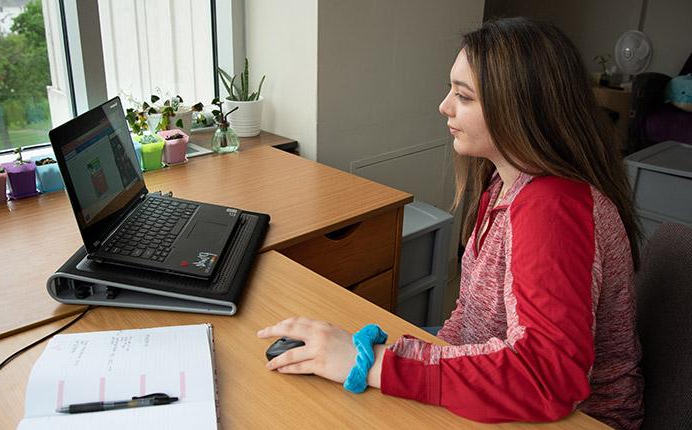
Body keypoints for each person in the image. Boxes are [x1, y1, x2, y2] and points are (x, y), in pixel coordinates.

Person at [257, 17, 644, 429]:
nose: (444, 106)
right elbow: (470, 312)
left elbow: (548, 378)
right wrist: (424, 364)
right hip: (499, 382)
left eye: (463, 96)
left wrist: (377, 366)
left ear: (520, 107)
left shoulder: (552, 209)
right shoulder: (502, 181)